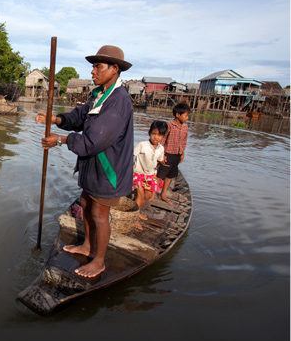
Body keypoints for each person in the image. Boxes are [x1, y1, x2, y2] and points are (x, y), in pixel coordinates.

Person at [35, 45, 134, 279]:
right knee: (86, 205)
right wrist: (57, 118)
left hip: (107, 170)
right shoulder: (99, 95)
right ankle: (88, 246)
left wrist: (59, 140)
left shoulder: (118, 101)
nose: (93, 72)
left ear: (114, 69)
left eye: (98, 67)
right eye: (93, 67)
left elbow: (93, 141)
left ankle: (99, 261)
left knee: (100, 214)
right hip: (91, 167)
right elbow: (80, 118)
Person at [156, 102, 191, 204]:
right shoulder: (169, 125)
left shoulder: (185, 127)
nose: (187, 118)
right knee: (160, 174)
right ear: (177, 115)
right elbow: (163, 140)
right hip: (167, 154)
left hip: (177, 154)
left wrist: (182, 153)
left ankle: (163, 194)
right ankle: (152, 194)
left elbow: (184, 141)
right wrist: (161, 154)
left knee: (170, 175)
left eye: (188, 116)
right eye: (185, 115)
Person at [133, 121, 168, 221]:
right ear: (149, 133)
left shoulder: (161, 148)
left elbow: (161, 159)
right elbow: (131, 155)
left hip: (149, 175)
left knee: (148, 195)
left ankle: (137, 211)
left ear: (163, 137)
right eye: (154, 134)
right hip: (137, 173)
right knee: (140, 194)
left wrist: (164, 161)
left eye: (159, 135)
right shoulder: (142, 145)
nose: (156, 137)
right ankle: (134, 217)